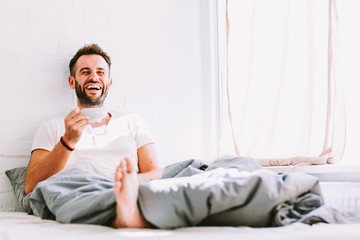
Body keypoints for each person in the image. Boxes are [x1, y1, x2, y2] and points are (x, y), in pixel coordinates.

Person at [24, 44, 162, 195]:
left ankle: (122, 205)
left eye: (100, 72)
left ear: (109, 83)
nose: (94, 77)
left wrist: (125, 184)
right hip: (82, 195)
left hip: (128, 191)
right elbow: (31, 186)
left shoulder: (133, 121)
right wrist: (67, 141)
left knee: (189, 168)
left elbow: (154, 174)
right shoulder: (52, 126)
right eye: (85, 72)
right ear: (72, 82)